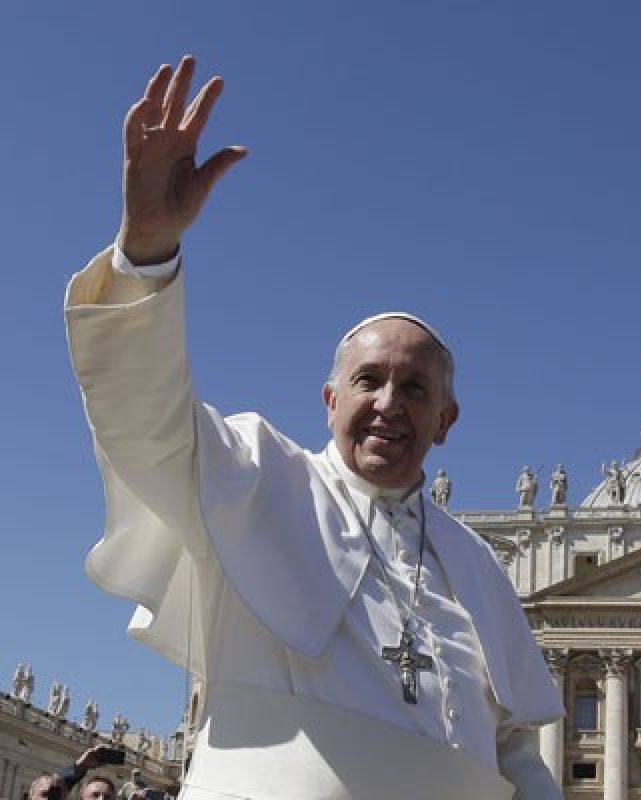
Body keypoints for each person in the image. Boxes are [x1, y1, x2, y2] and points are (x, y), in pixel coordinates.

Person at [66, 56, 561, 799]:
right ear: (329, 400)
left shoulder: (480, 566)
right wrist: (145, 252)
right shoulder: (257, 477)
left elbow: (515, 749)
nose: (390, 402)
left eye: (415, 388)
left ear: (446, 421)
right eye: (370, 380)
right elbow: (143, 418)